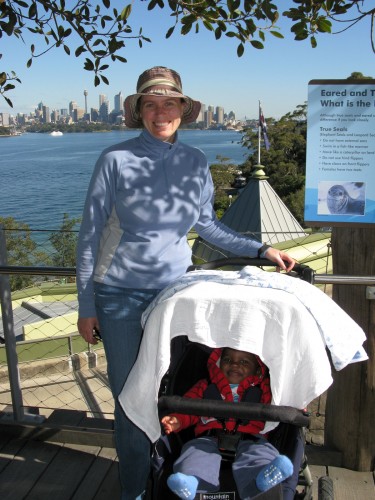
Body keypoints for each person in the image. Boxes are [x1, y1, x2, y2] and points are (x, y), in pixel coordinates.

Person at [76, 66, 295, 499]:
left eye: (169, 102)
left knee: (172, 394)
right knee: (128, 398)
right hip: (118, 295)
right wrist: (86, 305)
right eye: (151, 104)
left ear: (182, 109)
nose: (161, 111)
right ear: (139, 111)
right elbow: (89, 235)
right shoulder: (114, 160)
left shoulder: (195, 162)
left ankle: (174, 474)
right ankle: (135, 487)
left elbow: (207, 226)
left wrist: (260, 250)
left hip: (174, 296)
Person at [161, 347, 293, 500]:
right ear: (218, 363)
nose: (235, 365)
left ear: (258, 371)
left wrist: (294, 402)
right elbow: (187, 406)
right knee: (193, 454)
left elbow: (280, 401)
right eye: (228, 360)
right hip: (209, 437)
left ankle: (263, 478)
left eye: (244, 362)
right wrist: (177, 420)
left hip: (252, 439)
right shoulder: (206, 386)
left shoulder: (263, 389)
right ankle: (192, 482)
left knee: (262, 454)